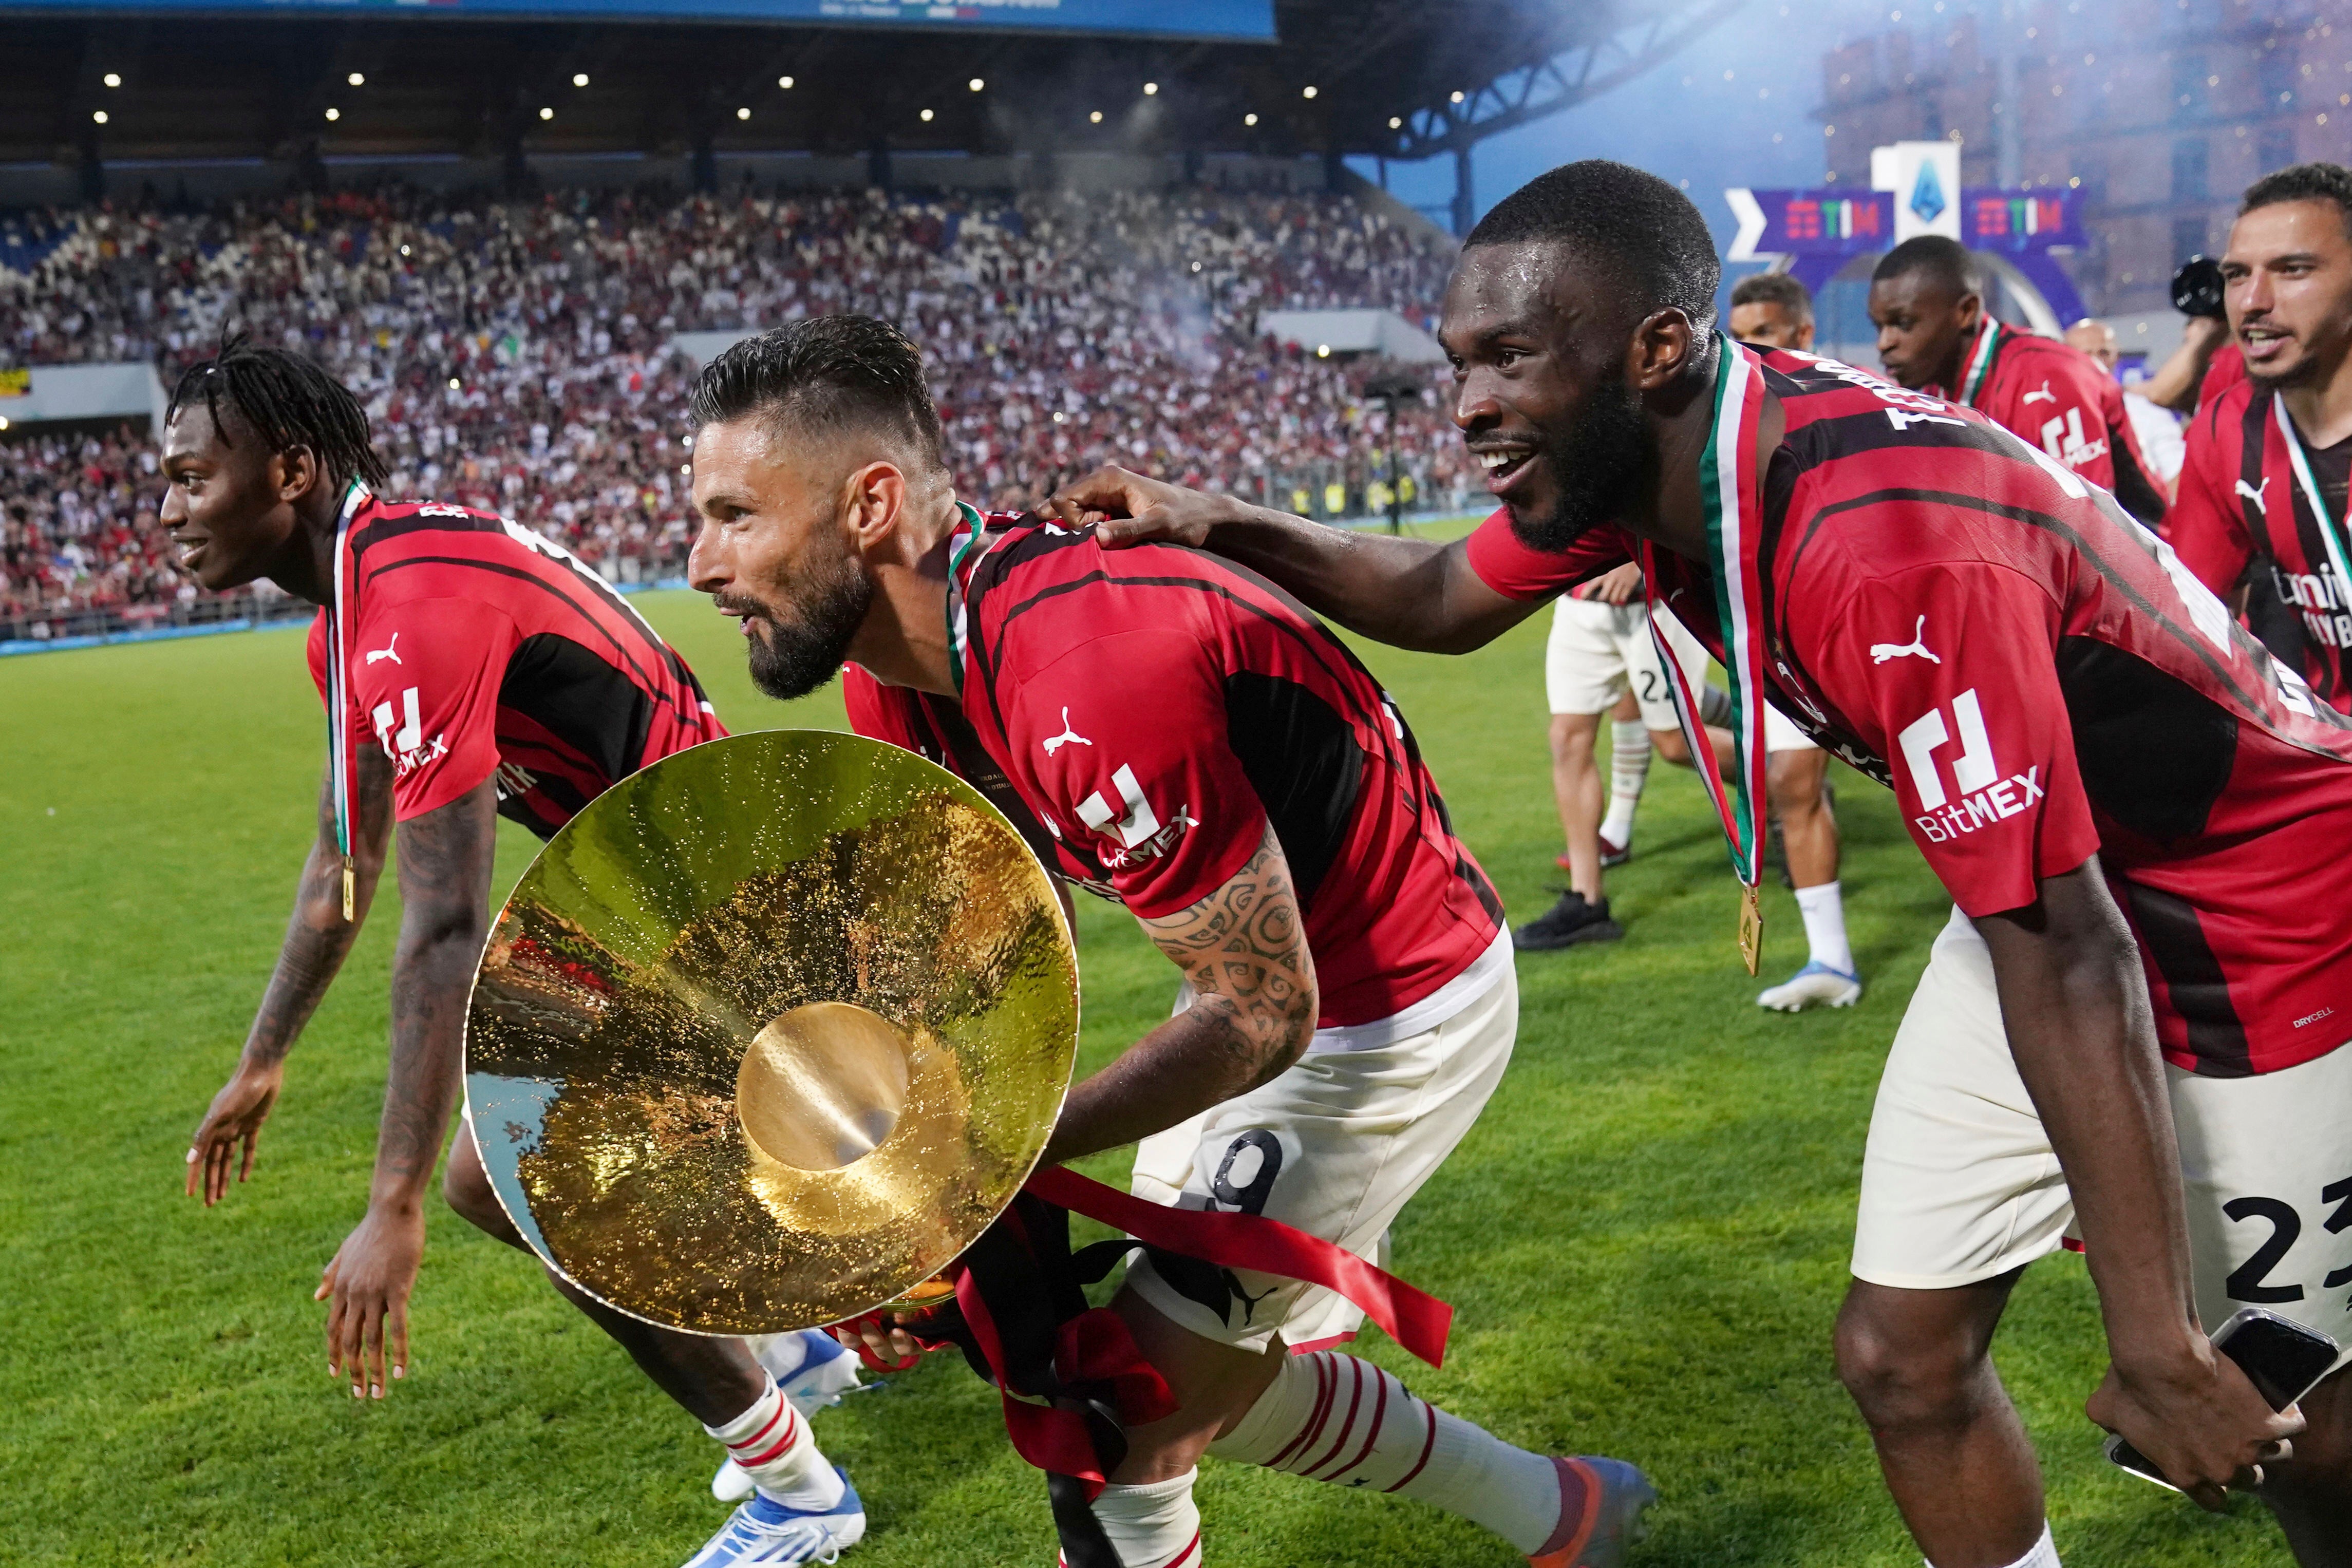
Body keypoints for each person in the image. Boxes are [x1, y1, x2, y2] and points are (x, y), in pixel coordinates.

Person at [1050, 159, 2352, 1568]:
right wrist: (1219, 520)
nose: (1471, 403)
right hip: (2063, 894)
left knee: (2291, 1407)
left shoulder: (1881, 547)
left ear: (1656, 346)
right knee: (1901, 1357)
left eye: (1509, 359)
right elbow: (1432, 596)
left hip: (2263, 910)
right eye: (1459, 364)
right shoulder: (1647, 459)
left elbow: (2072, 953)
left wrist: (2146, 1336)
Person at [682, 314, 1658, 1568]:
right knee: (1160, 1383)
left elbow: (1261, 1010)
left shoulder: (1087, 666)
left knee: (1117, 1427)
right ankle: (1559, 1513)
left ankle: (1556, 1513)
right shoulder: (901, 671)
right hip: (1268, 998)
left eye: (733, 516)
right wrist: (889, 1206)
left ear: (870, 506)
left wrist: (971, 1172)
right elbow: (984, 961)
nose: (703, 563)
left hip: (1389, 1009)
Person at [164, 340, 868, 1568]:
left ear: (286, 469)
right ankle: (800, 1358)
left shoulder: (410, 607)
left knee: (503, 1178)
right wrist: (264, 1058)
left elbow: (444, 931)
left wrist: (391, 1204)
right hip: (645, 874)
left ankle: (802, 1493)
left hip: (712, 881)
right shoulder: (353, 622)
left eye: (186, 476)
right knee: (553, 1172)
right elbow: (349, 862)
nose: (167, 511)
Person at [2171, 163, 2352, 711]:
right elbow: (2187, 628)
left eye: (2292, 270)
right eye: (2235, 275)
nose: (2252, 301)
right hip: (2334, 758)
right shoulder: (2225, 429)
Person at [1725, 272, 1859, 1011]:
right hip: (1781, 629)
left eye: (1765, 332)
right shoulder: (1722, 419)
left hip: (1862, 623)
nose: (1747, 345)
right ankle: (1830, 960)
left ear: (1802, 335)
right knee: (1789, 785)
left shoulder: (1838, 404)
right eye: (1737, 330)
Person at [1869, 235, 2170, 525]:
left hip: (2146, 568)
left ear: (1966, 312)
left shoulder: (2048, 380)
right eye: (1879, 326)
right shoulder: (1935, 387)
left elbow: (2088, 536)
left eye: (1903, 324)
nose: (1884, 343)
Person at [2063, 318, 2188, 493]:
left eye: (2104, 353)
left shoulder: (2149, 412)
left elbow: (2177, 477)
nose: (2097, 363)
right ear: (2064, 362)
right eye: (2086, 355)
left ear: (2117, 357)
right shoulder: (2050, 418)